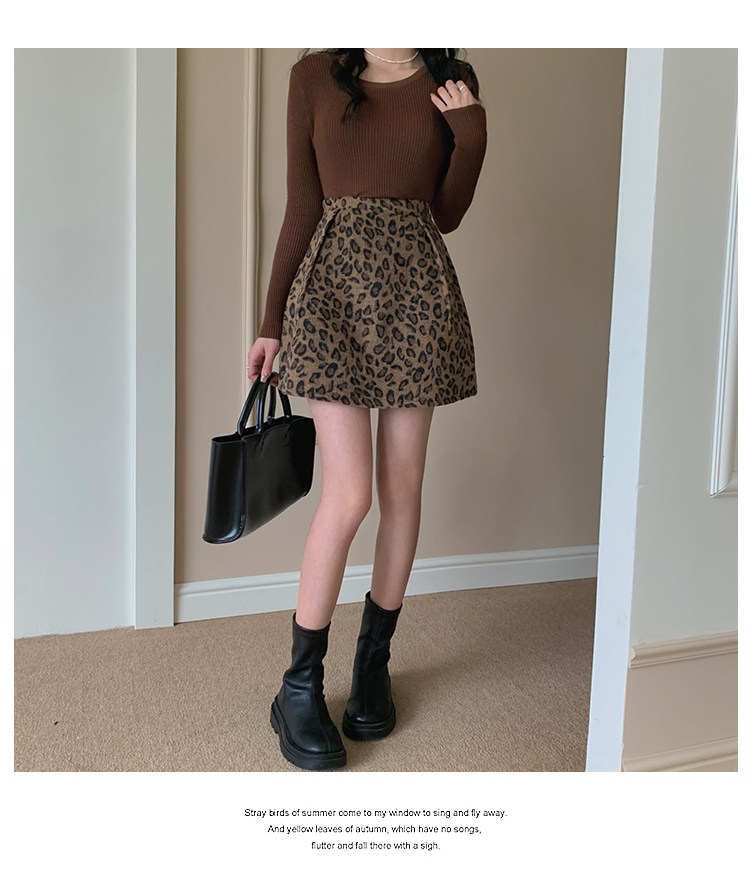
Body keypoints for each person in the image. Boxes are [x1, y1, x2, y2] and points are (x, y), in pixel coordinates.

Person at [246, 48, 487, 770]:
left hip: (417, 294)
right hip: (330, 294)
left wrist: (471, 133)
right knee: (348, 495)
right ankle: (298, 685)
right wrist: (271, 321)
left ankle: (373, 662)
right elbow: (301, 205)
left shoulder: (452, 80)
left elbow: (445, 215)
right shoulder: (313, 76)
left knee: (402, 489)